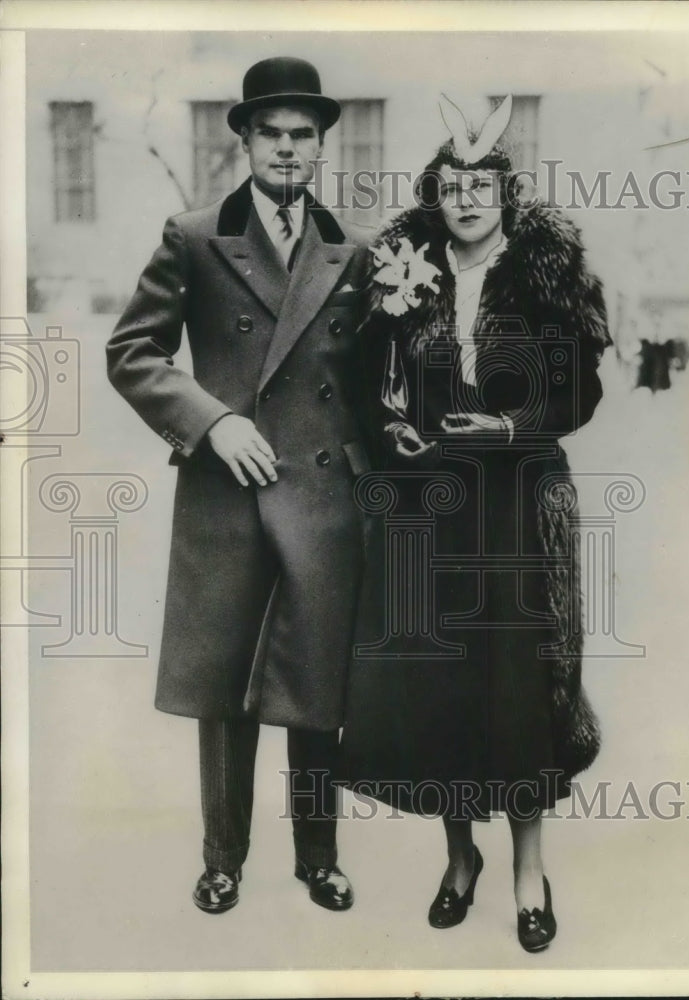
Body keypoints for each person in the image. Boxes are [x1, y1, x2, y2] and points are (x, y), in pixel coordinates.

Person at [342, 97, 610, 952]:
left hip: (515, 503)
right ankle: (460, 861)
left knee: (519, 685)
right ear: (435, 195)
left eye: (479, 187)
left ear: (503, 194)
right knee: (441, 686)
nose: (464, 200)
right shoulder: (399, 271)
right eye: (450, 187)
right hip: (429, 503)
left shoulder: (543, 272)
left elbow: (580, 391)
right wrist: (393, 434)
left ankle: (528, 869)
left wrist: (509, 426)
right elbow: (363, 381)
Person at [107, 57, 373, 915]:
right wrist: (213, 420)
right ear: (246, 142)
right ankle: (223, 858)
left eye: (304, 136)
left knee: (314, 691)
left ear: (321, 147)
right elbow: (133, 351)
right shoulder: (193, 235)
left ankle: (318, 858)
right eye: (273, 134)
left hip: (324, 501)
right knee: (226, 690)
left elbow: (375, 377)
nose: (288, 150)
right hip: (227, 493)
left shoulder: (357, 250)